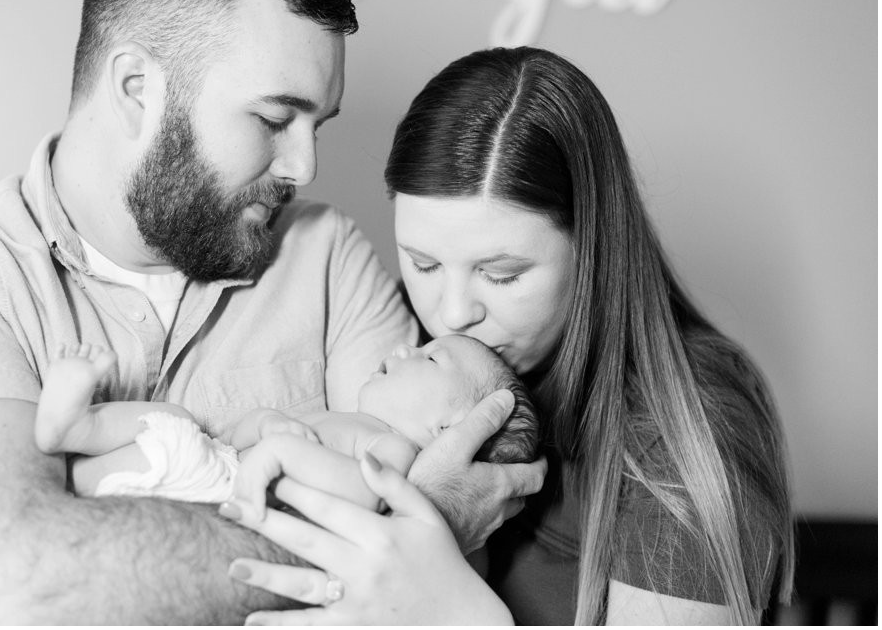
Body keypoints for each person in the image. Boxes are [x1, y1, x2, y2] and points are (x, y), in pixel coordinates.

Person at [0, 0, 546, 624]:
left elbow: (441, 554)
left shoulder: (326, 256)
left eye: (316, 125)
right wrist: (419, 532)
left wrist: (426, 536)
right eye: (273, 120)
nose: (305, 167)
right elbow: (15, 591)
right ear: (138, 89)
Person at [221, 46, 796, 625]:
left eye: (502, 275)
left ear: (592, 248)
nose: (450, 314)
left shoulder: (688, 428)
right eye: (423, 263)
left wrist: (453, 601)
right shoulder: (405, 339)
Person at [34, 335, 540, 515]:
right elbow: (239, 433)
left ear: (449, 430)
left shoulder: (395, 452)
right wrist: (268, 423)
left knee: (160, 445)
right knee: (175, 419)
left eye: (431, 360)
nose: (406, 348)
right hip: (221, 460)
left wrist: (279, 452)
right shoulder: (351, 420)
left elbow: (363, 495)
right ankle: (73, 431)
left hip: (224, 490)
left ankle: (72, 452)